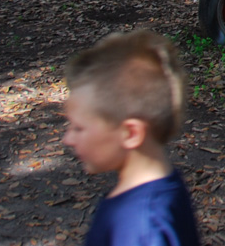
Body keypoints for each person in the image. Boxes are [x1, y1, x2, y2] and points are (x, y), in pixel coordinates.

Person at [62, 30, 202, 246]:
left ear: (131, 133)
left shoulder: (141, 226)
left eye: (79, 128)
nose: (67, 139)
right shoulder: (159, 192)